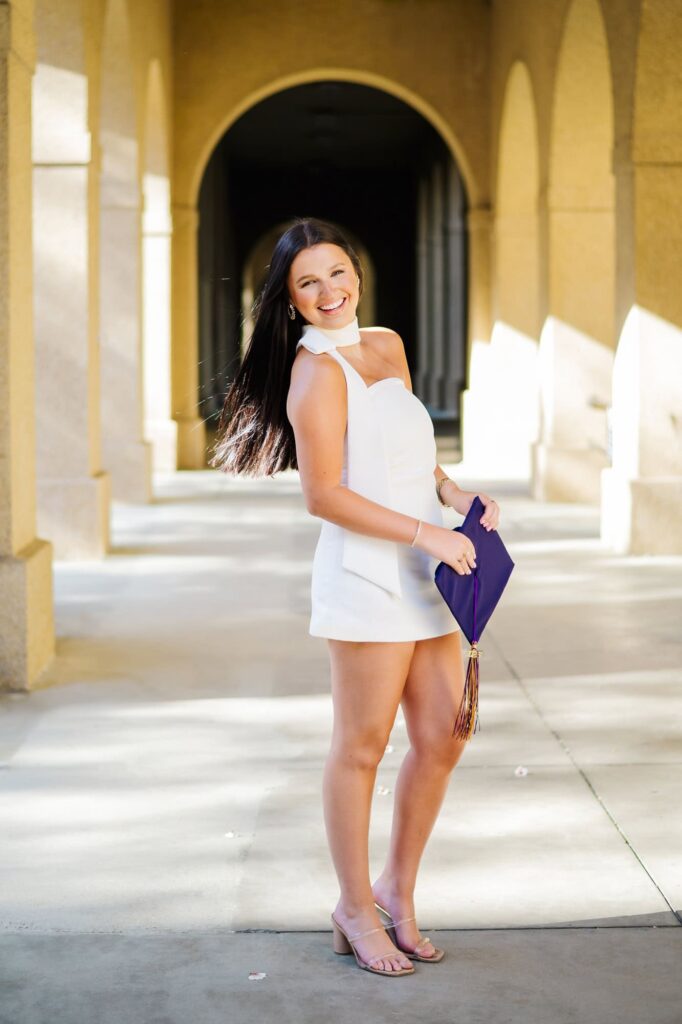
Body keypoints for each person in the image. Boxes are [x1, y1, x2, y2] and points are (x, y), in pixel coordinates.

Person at [209, 216, 500, 978]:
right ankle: (352, 906)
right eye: (309, 282)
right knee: (362, 747)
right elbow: (324, 495)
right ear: (291, 300)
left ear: (357, 275)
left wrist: (454, 493)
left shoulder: (387, 345)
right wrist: (427, 534)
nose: (329, 291)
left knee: (444, 733)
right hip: (369, 577)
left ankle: (396, 891)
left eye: (336, 272)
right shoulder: (315, 374)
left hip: (428, 567)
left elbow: (411, 452)